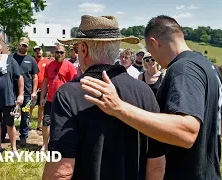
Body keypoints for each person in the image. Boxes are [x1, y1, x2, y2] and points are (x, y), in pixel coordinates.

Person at [80, 15, 222, 180]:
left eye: (151, 50)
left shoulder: (183, 69)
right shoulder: (206, 66)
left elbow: (187, 132)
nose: (152, 58)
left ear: (155, 42)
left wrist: (119, 107)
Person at [43, 15, 165, 180]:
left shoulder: (68, 94)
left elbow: (61, 171)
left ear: (84, 49)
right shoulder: (145, 92)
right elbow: (156, 165)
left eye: (77, 48)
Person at [39, 44, 76, 152]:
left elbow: (73, 84)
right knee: (46, 122)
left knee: (62, 123)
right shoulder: (49, 65)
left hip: (64, 101)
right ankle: (45, 144)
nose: (59, 54)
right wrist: (42, 97)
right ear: (54, 53)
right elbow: (45, 82)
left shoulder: (69, 66)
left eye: (61, 52)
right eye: (57, 52)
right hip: (50, 99)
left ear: (65, 54)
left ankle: (60, 145)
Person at [8, 37, 39, 146]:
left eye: (25, 45)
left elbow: (35, 77)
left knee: (25, 115)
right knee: (9, 114)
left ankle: (23, 136)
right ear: (18, 45)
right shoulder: (11, 58)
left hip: (26, 93)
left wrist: (34, 92)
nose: (23, 47)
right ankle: (4, 135)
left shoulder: (31, 60)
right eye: (21, 45)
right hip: (12, 92)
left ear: (28, 47)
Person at [30, 46, 51, 131]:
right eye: (36, 51)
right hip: (34, 89)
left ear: (42, 51)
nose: (38, 52)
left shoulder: (48, 61)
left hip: (44, 89)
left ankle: (39, 125)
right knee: (30, 107)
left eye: (39, 50)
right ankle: (28, 123)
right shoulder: (32, 61)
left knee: (41, 107)